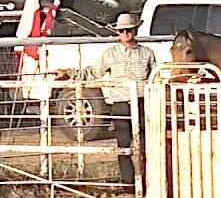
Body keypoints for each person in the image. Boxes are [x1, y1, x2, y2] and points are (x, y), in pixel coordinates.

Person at [59, 13, 157, 187]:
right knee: (124, 144)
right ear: (118, 33)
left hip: (143, 102)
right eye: (122, 31)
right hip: (120, 104)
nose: (126, 33)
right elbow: (92, 72)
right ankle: (128, 182)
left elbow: (156, 77)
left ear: (135, 30)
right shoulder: (110, 54)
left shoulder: (147, 53)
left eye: (129, 30)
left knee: (146, 143)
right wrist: (68, 73)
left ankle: (148, 180)